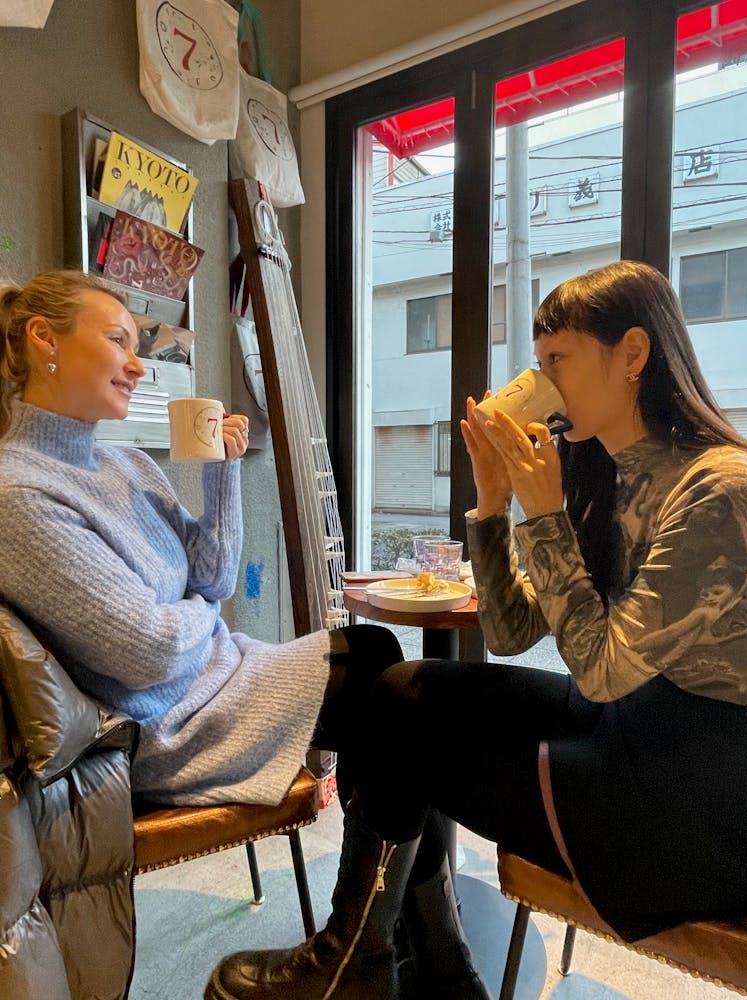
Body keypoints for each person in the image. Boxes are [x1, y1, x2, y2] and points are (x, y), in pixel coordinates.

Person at [198, 259, 747, 1000]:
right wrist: (494, 507)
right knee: (398, 692)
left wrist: (545, 517)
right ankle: (425, 968)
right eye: (539, 360)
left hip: (699, 791)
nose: (543, 380)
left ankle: (361, 965)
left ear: (632, 355)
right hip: (632, 728)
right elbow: (512, 629)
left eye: (559, 360)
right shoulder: (603, 471)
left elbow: (602, 670)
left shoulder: (717, 487)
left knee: (404, 743)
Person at [0, 271, 488, 1000]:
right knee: (393, 690)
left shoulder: (124, 462)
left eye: (138, 346)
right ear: (45, 340)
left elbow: (212, 577)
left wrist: (223, 475)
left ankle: (380, 959)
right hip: (165, 726)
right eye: (117, 341)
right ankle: (402, 962)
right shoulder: (17, 493)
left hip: (222, 677)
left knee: (395, 691)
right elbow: (147, 652)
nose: (138, 364)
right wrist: (202, 622)